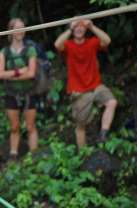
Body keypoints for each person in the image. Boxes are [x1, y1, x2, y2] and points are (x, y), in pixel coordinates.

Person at [55, 19, 117, 148]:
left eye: (82, 26)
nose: (79, 28)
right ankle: (82, 153)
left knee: (112, 102)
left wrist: (92, 26)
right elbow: (57, 44)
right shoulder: (68, 44)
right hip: (78, 90)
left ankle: (103, 134)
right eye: (76, 26)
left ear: (85, 29)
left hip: (95, 86)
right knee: (81, 125)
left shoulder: (92, 42)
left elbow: (107, 41)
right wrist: (69, 28)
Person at [0, 18, 38, 160]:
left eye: (23, 27)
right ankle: (13, 154)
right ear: (11, 31)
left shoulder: (30, 50)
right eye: (17, 28)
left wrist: (11, 75)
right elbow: (0, 74)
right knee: (14, 126)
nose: (21, 31)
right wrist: (20, 72)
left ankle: (34, 156)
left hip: (29, 93)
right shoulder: (5, 52)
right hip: (11, 94)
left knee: (30, 126)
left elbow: (31, 73)